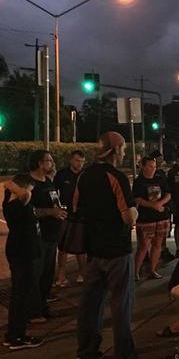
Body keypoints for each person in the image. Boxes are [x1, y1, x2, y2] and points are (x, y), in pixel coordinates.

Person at [75, 131, 138, 359]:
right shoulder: (116, 177)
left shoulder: (84, 176)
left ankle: (87, 350)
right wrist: (136, 211)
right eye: (122, 148)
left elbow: (75, 209)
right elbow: (128, 217)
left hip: (93, 250)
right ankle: (124, 353)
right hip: (117, 252)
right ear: (113, 150)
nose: (124, 153)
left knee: (90, 304)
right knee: (121, 304)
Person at [2, 175, 44, 350]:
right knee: (22, 294)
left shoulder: (14, 202)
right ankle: (17, 336)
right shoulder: (17, 202)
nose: (31, 193)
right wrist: (12, 185)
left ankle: (14, 334)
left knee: (20, 293)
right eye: (30, 189)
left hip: (22, 250)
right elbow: (25, 195)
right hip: (23, 252)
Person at [28, 150, 67, 323]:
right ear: (39, 163)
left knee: (47, 275)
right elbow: (29, 211)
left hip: (52, 235)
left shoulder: (48, 182)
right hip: (38, 237)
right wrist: (51, 212)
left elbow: (54, 202)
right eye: (48, 160)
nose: (51, 163)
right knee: (36, 275)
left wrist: (59, 211)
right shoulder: (29, 184)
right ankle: (33, 311)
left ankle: (43, 306)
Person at [133, 156, 171, 280]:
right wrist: (153, 205)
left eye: (154, 167)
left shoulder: (160, 179)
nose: (152, 169)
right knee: (144, 246)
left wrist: (160, 204)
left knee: (158, 244)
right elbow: (137, 198)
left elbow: (168, 194)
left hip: (161, 216)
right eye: (149, 166)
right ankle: (135, 272)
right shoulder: (139, 181)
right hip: (146, 218)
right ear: (143, 166)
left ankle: (152, 269)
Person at [54, 150, 87, 287]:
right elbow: (54, 192)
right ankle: (61, 276)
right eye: (77, 160)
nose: (79, 163)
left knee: (81, 246)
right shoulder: (62, 174)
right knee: (63, 246)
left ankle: (82, 273)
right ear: (71, 160)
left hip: (82, 214)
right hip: (66, 214)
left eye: (82, 161)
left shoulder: (86, 175)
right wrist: (57, 208)